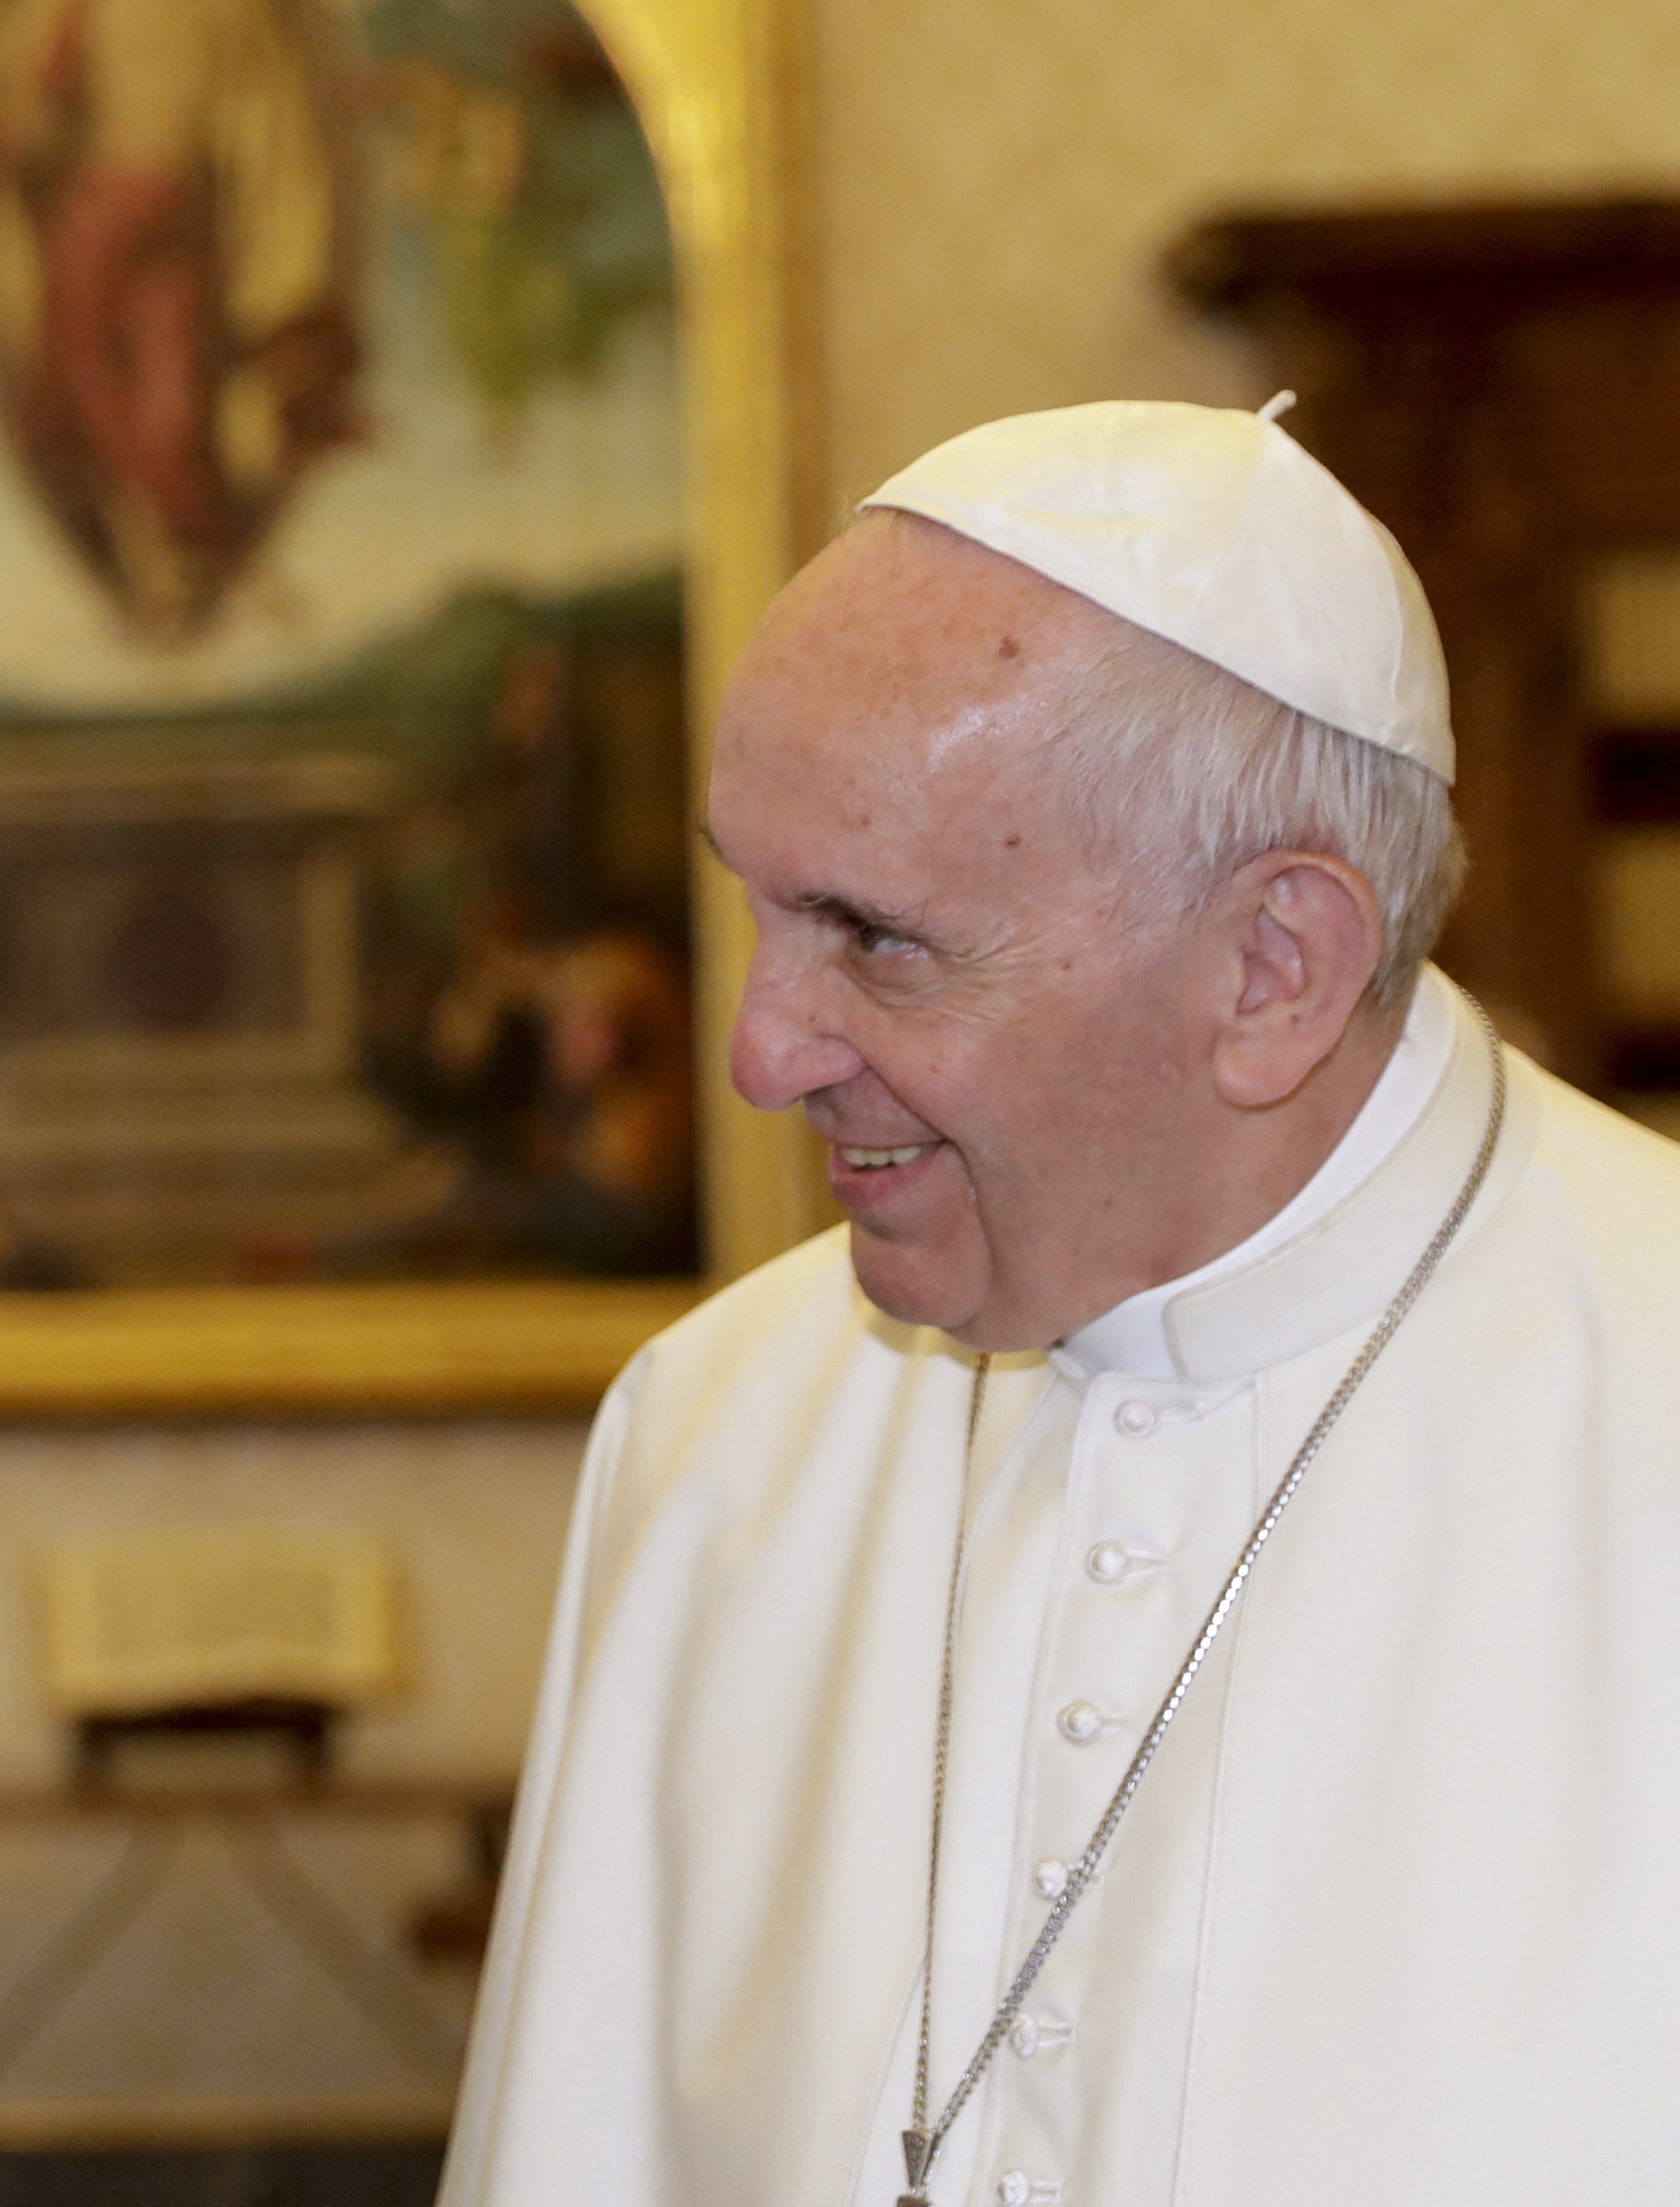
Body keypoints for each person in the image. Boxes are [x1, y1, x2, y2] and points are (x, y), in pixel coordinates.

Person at [439, 398, 1680, 2205]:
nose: (755, 1053)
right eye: (755, 910)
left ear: (1271, 968)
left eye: (872, 938)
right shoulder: (712, 1437)